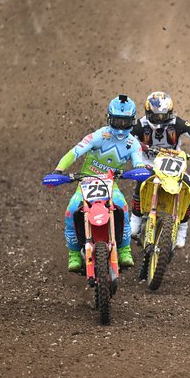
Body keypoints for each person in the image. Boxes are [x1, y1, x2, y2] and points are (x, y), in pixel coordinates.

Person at [49, 94, 144, 272]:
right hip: (85, 183)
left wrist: (139, 172)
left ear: (132, 121)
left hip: (110, 184)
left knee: (122, 207)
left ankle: (124, 249)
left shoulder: (133, 144)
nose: (121, 128)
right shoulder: (98, 136)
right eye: (117, 122)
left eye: (125, 122)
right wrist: (58, 170)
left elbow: (139, 163)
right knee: (71, 210)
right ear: (109, 119)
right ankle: (74, 254)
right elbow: (75, 152)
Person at [129, 91, 190, 249]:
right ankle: (135, 219)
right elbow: (128, 138)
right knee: (141, 179)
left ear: (171, 113)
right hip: (149, 161)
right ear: (148, 113)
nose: (160, 121)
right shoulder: (140, 124)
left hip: (173, 162)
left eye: (164, 116)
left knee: (188, 183)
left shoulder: (178, 123)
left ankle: (182, 228)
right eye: (156, 117)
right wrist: (136, 147)